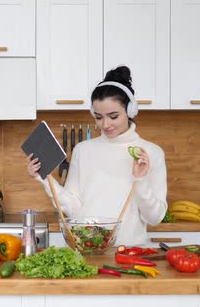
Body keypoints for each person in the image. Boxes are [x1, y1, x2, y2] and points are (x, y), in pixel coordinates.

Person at [26, 65, 167, 246]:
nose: (105, 124)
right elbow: (74, 208)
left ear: (131, 111)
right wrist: (43, 177)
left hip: (130, 255)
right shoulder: (83, 151)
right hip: (88, 251)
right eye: (99, 117)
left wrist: (140, 180)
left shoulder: (151, 153)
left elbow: (154, 218)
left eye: (113, 116)